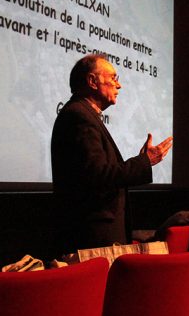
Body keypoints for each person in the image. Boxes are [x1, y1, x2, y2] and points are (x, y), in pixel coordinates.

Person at [51, 53, 173, 253]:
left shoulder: (84, 114)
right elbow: (98, 175)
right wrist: (145, 162)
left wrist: (142, 160)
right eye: (113, 78)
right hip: (91, 237)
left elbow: (98, 171)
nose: (119, 85)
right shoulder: (79, 116)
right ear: (92, 81)